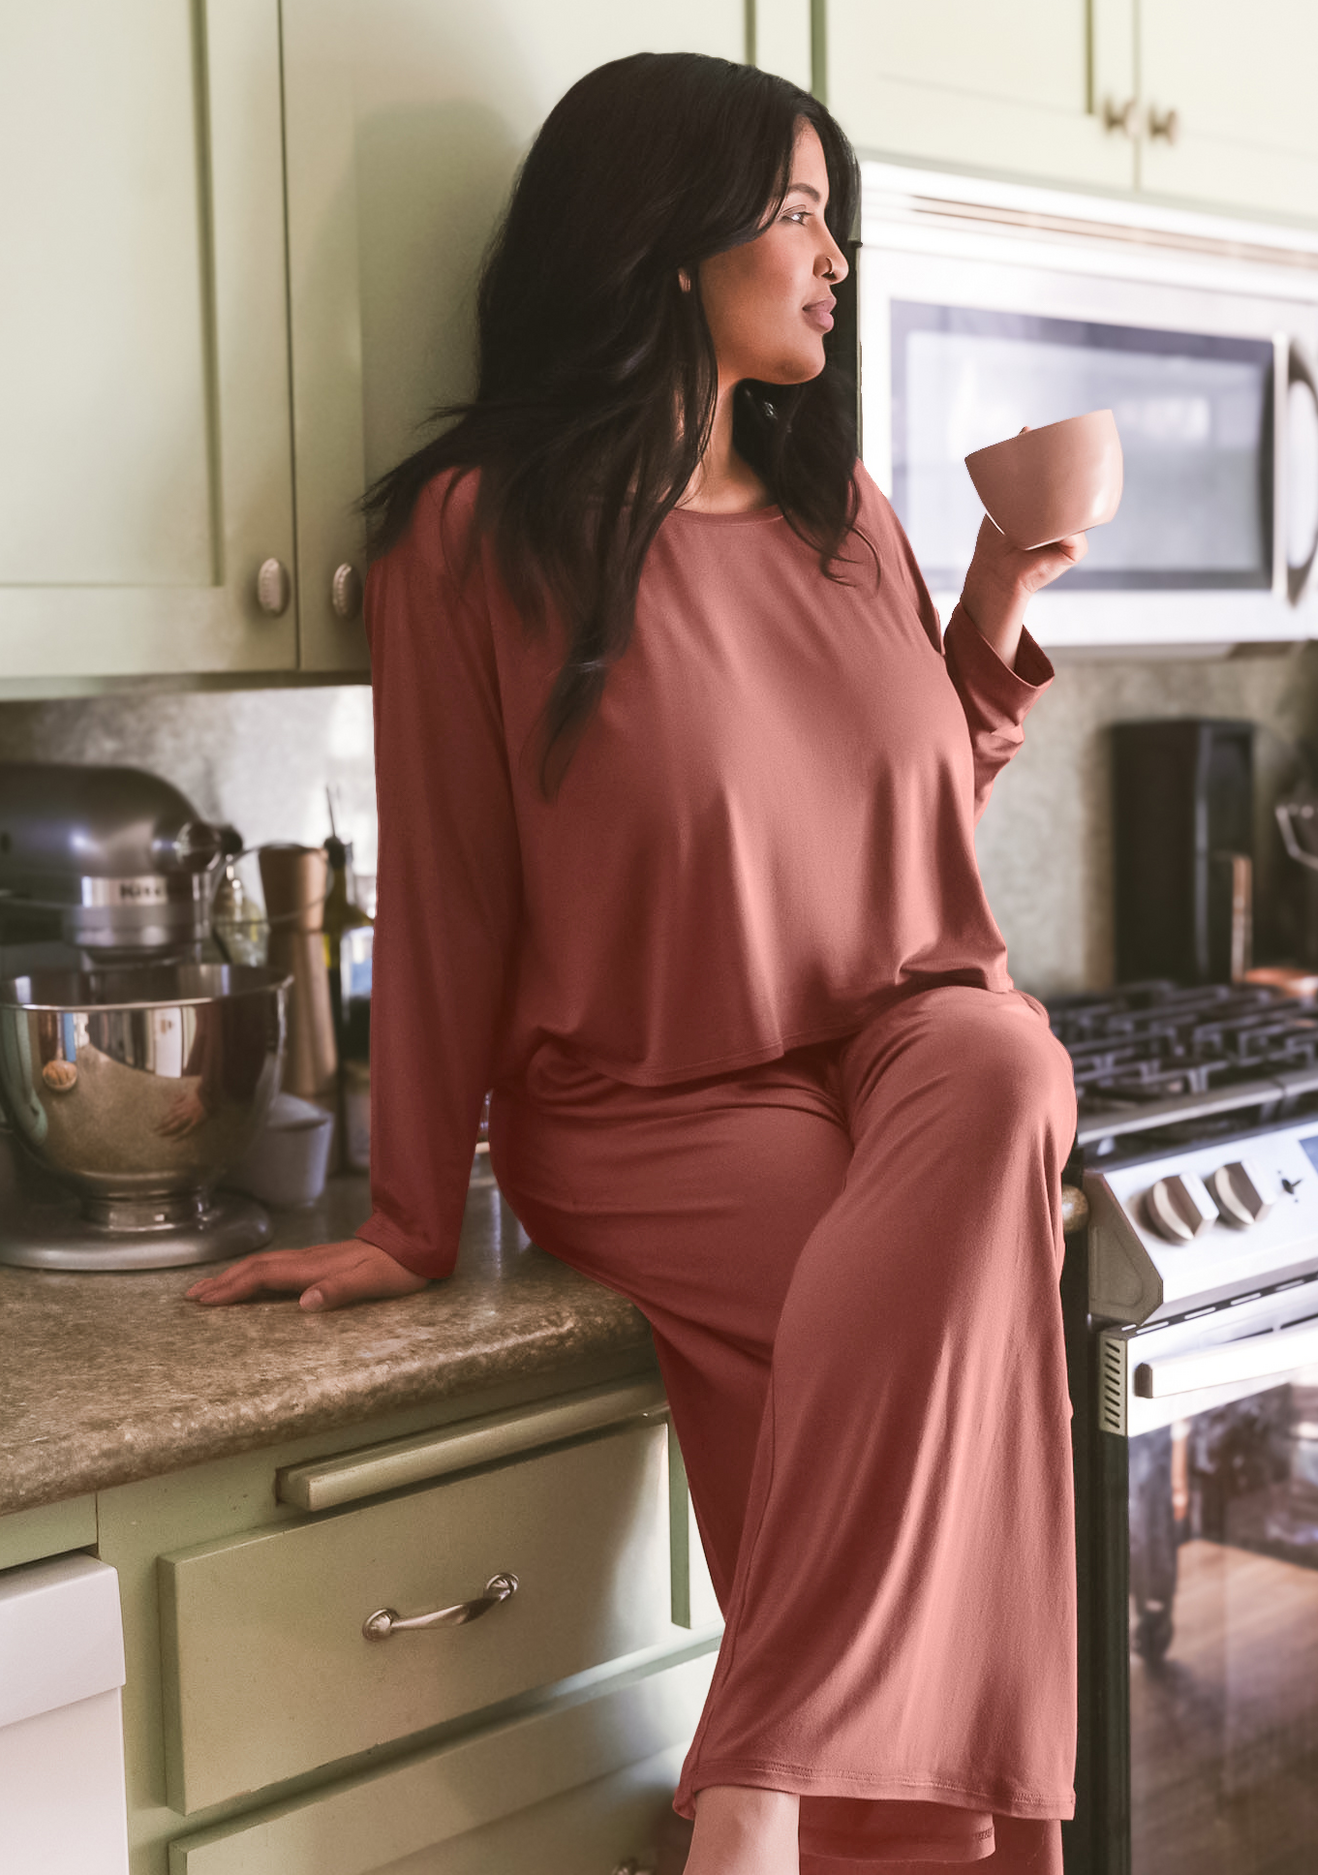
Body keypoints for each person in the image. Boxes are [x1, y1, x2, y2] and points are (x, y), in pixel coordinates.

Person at [187, 51, 1082, 1875]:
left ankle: (753, 1767)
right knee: (912, 1342)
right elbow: (444, 889)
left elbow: (901, 817)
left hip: (898, 1039)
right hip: (658, 1099)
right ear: (668, 240)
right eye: (801, 213)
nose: (837, 259)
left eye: (842, 220)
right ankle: (884, 1829)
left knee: (1007, 1068)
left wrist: (992, 607)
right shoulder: (476, 538)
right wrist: (410, 1211)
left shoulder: (855, 523)